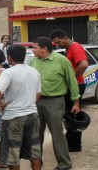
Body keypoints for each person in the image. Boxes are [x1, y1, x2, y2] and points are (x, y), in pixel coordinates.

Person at [30, 37, 80, 170]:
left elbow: (72, 81)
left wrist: (76, 102)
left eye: (35, 47)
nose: (32, 50)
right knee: (36, 134)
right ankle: (36, 164)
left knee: (57, 134)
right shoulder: (33, 61)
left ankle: (64, 164)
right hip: (36, 102)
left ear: (44, 49)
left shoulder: (62, 61)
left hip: (55, 102)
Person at [0, 44, 42, 170]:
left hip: (13, 117)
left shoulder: (8, 72)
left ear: (9, 57)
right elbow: (38, 94)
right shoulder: (34, 71)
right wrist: (28, 103)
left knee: (12, 153)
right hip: (32, 115)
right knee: (34, 151)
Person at [50, 29, 88, 152]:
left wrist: (72, 79)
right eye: (55, 43)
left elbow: (83, 65)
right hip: (73, 85)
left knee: (74, 114)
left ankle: (75, 144)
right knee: (70, 113)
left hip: (76, 85)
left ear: (65, 37)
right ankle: (70, 140)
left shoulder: (75, 47)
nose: (57, 45)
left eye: (58, 42)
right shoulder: (68, 48)